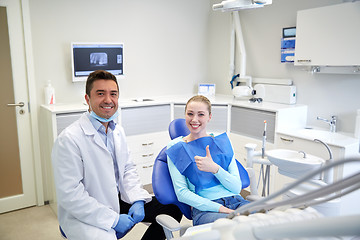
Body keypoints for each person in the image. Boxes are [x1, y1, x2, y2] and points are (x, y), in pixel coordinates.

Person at [52, 70, 182, 240]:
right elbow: (71, 196)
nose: (108, 100)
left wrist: (137, 200)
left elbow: (128, 170)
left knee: (172, 209)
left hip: (118, 199)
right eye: (100, 94)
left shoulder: (117, 131)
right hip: (86, 212)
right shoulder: (69, 139)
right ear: (87, 99)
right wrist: (112, 220)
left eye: (113, 94)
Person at [166, 95, 249, 226]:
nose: (194, 119)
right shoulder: (176, 148)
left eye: (201, 114)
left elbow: (236, 187)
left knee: (266, 220)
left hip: (237, 202)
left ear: (209, 117)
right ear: (185, 115)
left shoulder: (221, 143)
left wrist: (215, 169)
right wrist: (221, 209)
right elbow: (182, 193)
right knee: (233, 225)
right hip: (206, 209)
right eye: (190, 114)